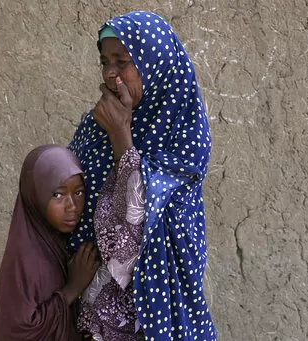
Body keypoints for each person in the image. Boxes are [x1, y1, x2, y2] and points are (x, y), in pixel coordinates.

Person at [68, 11, 217, 341]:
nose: (110, 73)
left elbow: (142, 227)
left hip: (151, 318)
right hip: (88, 313)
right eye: (105, 61)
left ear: (154, 65)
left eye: (122, 62)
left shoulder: (182, 131)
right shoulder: (96, 127)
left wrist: (121, 134)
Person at [0, 144, 101, 341]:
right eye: (58, 195)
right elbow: (18, 331)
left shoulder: (65, 242)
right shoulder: (26, 258)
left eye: (78, 192)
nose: (72, 207)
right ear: (36, 197)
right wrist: (73, 288)